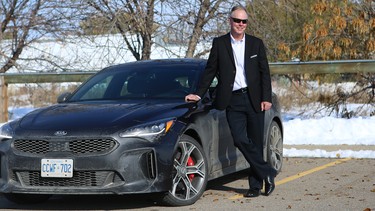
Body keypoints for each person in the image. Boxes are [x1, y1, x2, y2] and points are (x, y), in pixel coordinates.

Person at [185, 5, 276, 198]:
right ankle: (267, 171)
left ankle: (255, 186)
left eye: (244, 21)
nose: (240, 24)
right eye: (237, 20)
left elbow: (264, 73)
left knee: (256, 142)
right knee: (240, 139)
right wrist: (199, 94)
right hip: (233, 99)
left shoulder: (256, 44)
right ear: (230, 21)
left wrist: (266, 98)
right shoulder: (219, 44)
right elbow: (210, 70)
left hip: (255, 99)